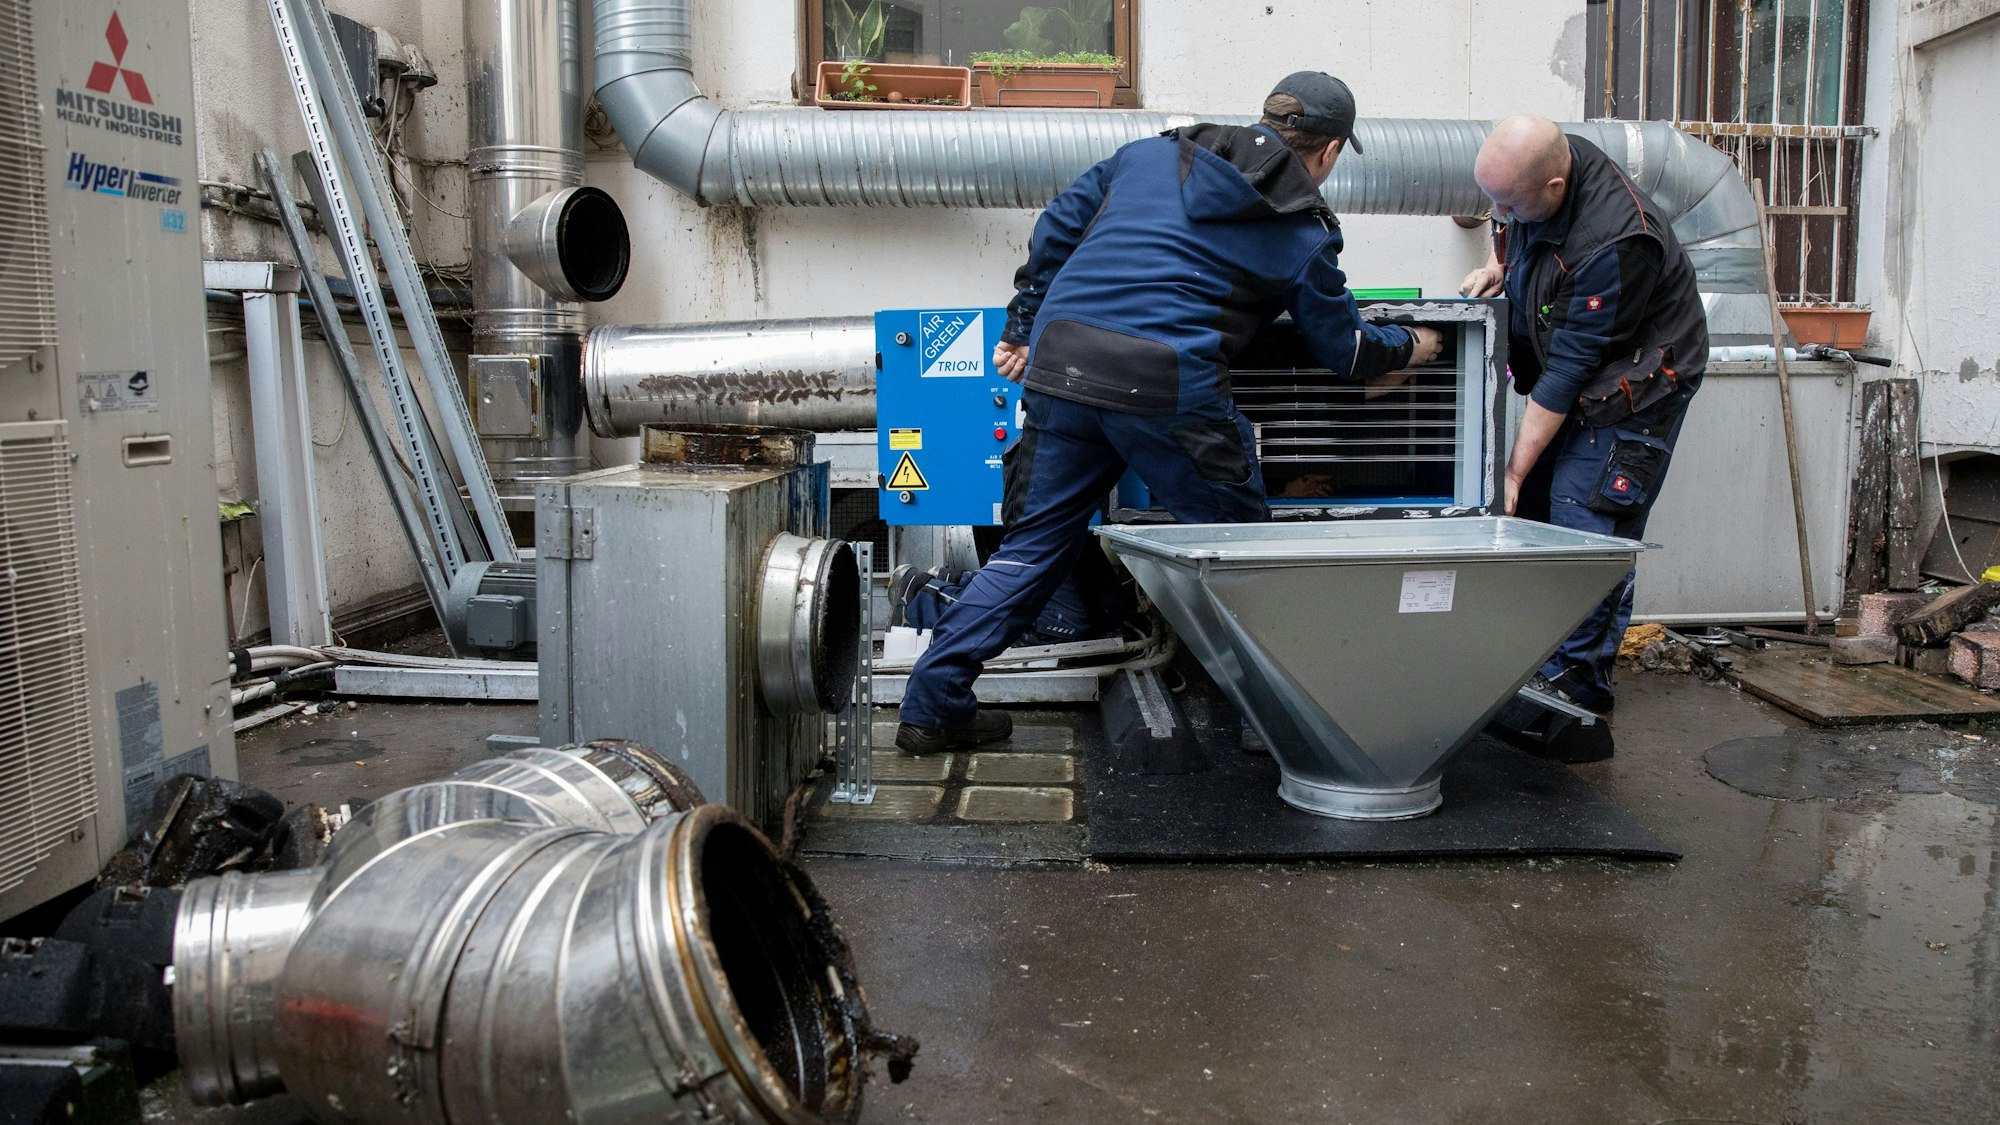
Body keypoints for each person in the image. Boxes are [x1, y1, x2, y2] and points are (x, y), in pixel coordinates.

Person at [894, 71, 1444, 754]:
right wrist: (1414, 346)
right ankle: (1265, 721)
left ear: (1266, 118)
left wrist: (1022, 325)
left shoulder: (1152, 154)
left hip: (1062, 365)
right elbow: (1347, 347)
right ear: (1330, 153)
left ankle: (932, 706)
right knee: (1240, 551)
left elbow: (1057, 225)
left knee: (1031, 550)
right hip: (1167, 391)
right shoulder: (1301, 229)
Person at [1460, 115, 1708, 719]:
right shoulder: (1537, 188)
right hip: (1576, 379)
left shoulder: (1618, 239)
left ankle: (1577, 688)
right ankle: (1539, 659)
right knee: (1541, 518)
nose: (1500, 214)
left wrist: (1512, 471)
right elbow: (1525, 237)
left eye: (1510, 205)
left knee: (1584, 528)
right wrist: (1504, 268)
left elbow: (1572, 367)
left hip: (1632, 390)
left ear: (1553, 185)